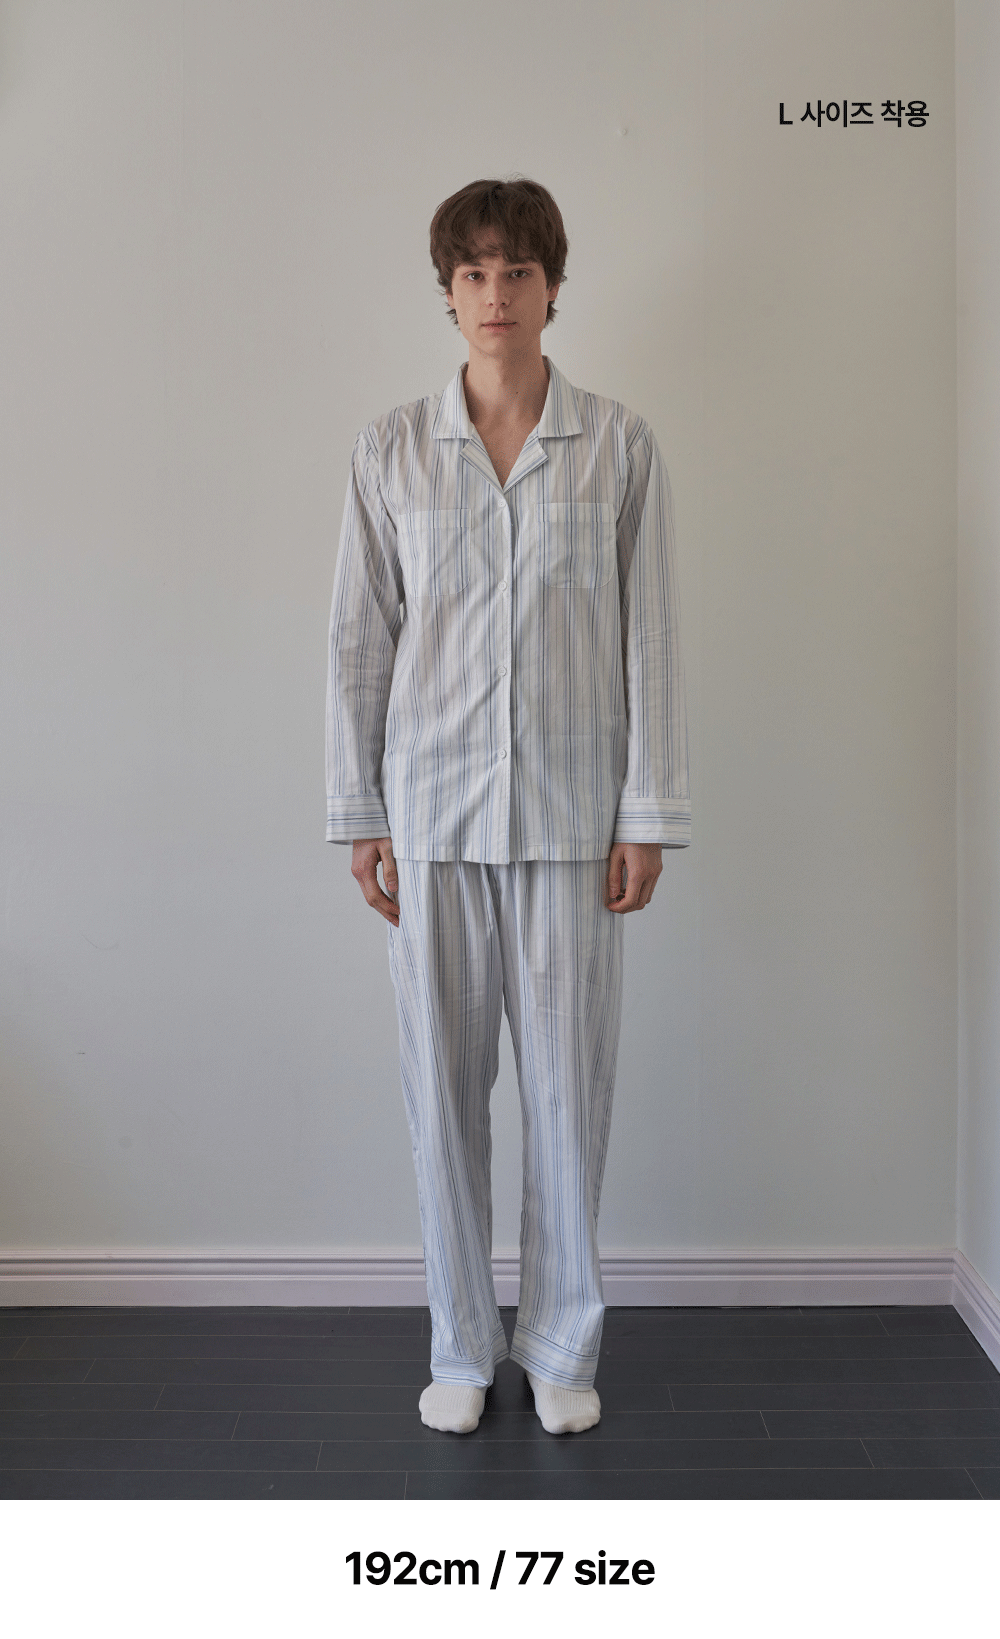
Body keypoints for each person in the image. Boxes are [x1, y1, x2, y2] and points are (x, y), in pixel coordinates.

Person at [326, 177, 690, 1435]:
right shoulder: (388, 451)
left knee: (567, 1100)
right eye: (473, 273)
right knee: (442, 1099)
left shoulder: (619, 446)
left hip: (572, 825)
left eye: (517, 271)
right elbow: (358, 643)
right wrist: (358, 812)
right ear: (447, 292)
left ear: (552, 286)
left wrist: (646, 813)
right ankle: (461, 1346)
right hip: (428, 817)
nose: (496, 294)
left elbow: (652, 640)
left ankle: (562, 1344)